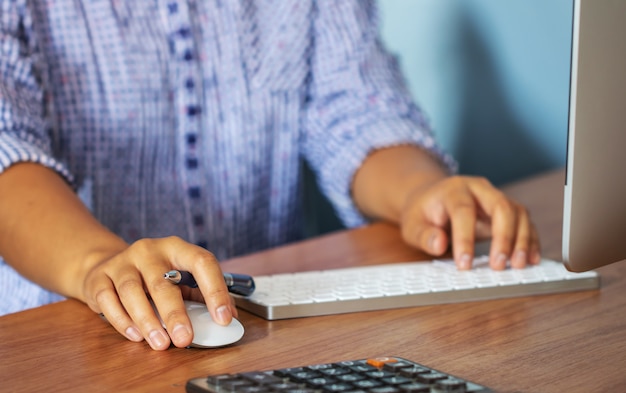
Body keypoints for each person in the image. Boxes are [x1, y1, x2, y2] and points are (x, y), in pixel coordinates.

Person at [0, 0, 540, 350]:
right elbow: (7, 148)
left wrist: (422, 191)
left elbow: (359, 108)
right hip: (68, 344)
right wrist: (101, 264)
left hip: (267, 333)